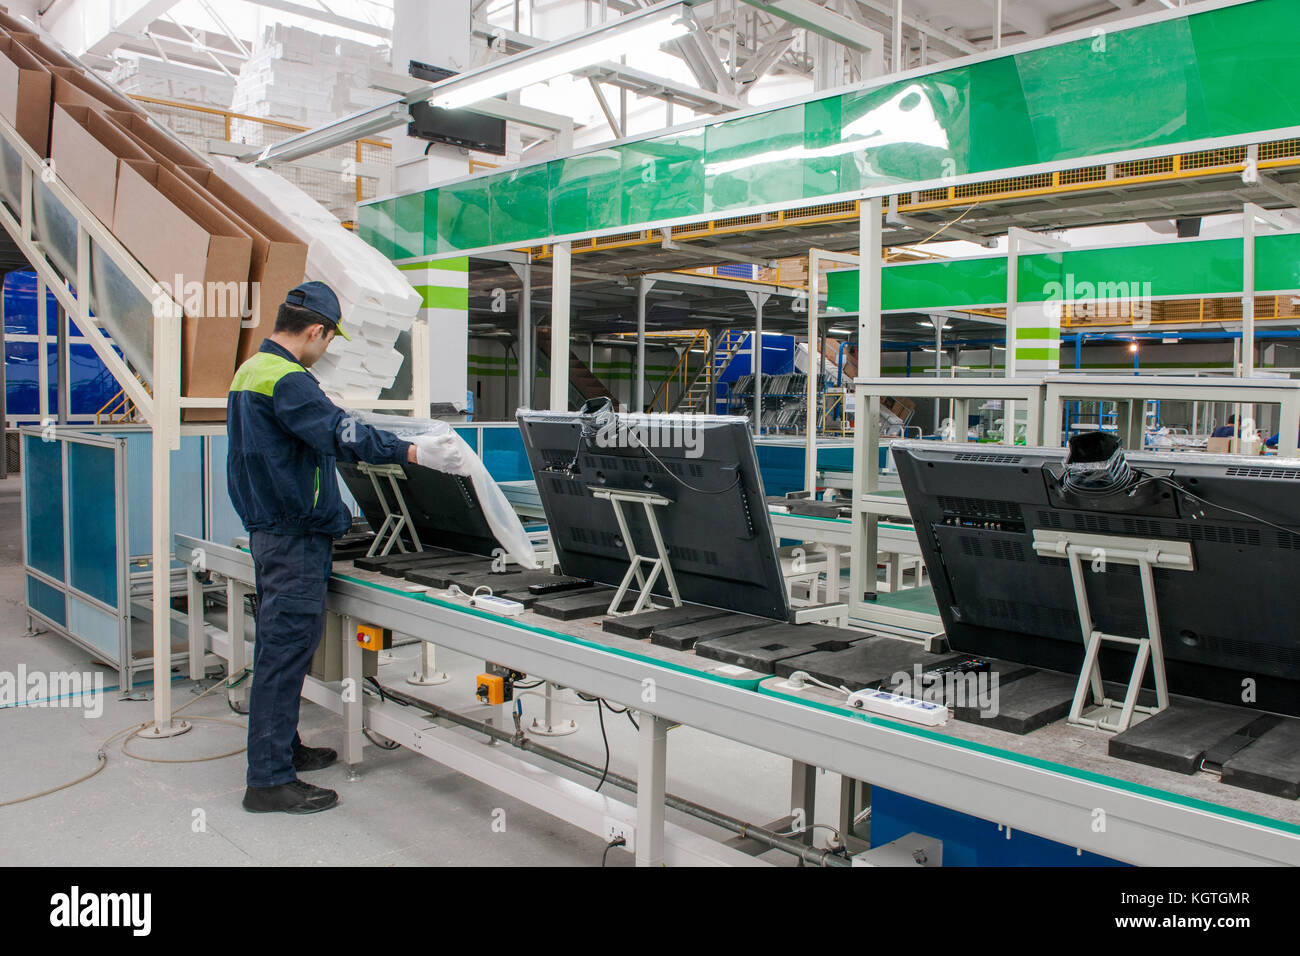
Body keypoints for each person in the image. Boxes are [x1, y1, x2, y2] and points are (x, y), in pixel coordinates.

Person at [226, 281, 443, 814]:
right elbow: (339, 433)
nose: (326, 351)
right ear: (317, 331)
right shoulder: (290, 379)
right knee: (284, 654)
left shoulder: (251, 370)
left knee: (280, 650)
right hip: (294, 537)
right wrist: (411, 449)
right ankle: (268, 781)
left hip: (273, 530)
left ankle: (284, 751)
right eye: (328, 341)